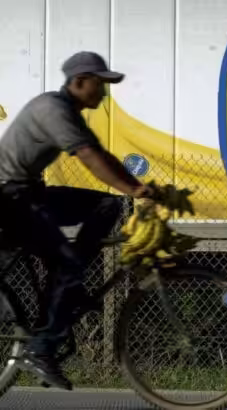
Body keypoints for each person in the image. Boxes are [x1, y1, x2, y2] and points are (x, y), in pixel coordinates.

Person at [0, 51, 153, 390]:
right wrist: (136, 188)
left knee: (108, 205)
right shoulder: (52, 109)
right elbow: (88, 158)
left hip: (29, 194)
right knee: (68, 265)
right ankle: (42, 348)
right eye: (100, 85)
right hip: (9, 198)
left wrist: (137, 188)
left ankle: (71, 288)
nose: (103, 93)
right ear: (80, 81)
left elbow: (103, 155)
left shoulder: (69, 112)